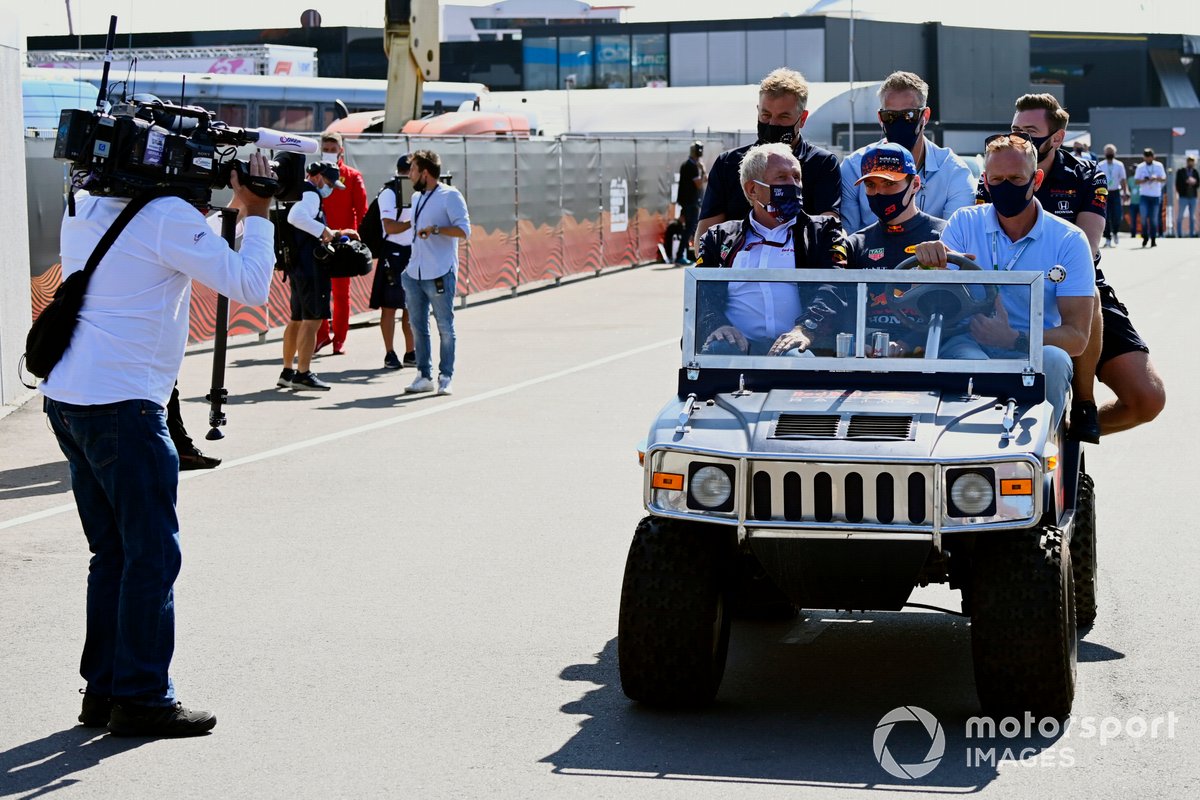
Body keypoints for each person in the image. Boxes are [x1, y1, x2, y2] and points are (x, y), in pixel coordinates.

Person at [40, 153, 276, 737]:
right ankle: (143, 697)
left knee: (113, 554)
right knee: (150, 556)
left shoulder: (86, 206)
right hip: (124, 405)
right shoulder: (166, 215)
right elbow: (249, 285)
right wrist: (259, 212)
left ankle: (103, 690)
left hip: (68, 397)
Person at [1003, 93, 1165, 442]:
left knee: (1147, 399)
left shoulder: (1086, 174)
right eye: (1015, 130)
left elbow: (1087, 248)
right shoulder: (998, 171)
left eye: (1029, 131)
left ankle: (1074, 424)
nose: (1019, 140)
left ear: (1057, 137)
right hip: (1013, 288)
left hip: (1078, 288)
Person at [914, 133, 1095, 431]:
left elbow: (1076, 337)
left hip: (1033, 346)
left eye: (1015, 178)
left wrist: (1014, 339)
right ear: (984, 180)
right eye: (996, 180)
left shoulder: (1069, 239)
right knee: (970, 364)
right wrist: (929, 264)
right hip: (969, 338)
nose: (1005, 186)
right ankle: (967, 449)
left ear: (1036, 180)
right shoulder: (963, 223)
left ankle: (1043, 450)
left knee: (1054, 360)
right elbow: (936, 296)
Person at [696, 142, 847, 356]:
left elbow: (834, 286)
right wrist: (717, 325)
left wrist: (805, 329)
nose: (793, 184)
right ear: (753, 189)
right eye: (782, 178)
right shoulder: (718, 237)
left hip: (799, 345)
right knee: (718, 349)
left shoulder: (823, 232)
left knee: (796, 355)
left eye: (796, 177)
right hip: (737, 346)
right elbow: (702, 294)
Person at [696, 68, 841, 245]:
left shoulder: (822, 163)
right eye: (766, 115)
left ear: (802, 119)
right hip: (737, 268)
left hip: (798, 268)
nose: (772, 123)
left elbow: (828, 232)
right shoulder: (728, 163)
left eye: (783, 116)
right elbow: (703, 241)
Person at [840, 71, 976, 236]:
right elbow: (848, 238)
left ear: (925, 116)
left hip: (930, 262)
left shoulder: (953, 172)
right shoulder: (854, 167)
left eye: (909, 115)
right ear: (880, 117)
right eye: (889, 116)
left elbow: (955, 239)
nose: (898, 123)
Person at [843, 142, 947, 357]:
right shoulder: (856, 244)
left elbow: (953, 310)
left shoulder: (944, 235)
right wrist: (857, 343)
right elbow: (844, 309)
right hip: (867, 354)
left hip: (930, 354)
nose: (879, 193)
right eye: (870, 185)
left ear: (915, 184)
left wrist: (907, 344)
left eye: (889, 184)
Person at [278, 161, 354, 391]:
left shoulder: (297, 190)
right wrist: (326, 232)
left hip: (297, 265)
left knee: (297, 319)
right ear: (319, 177)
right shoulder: (311, 194)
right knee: (313, 320)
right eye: (330, 183)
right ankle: (303, 374)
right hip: (311, 267)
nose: (330, 188)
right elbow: (296, 218)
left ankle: (288, 370)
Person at [402, 150, 472, 396]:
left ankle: (446, 376)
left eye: (412, 170)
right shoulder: (417, 197)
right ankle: (423, 375)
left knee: (444, 326)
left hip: (440, 271)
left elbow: (464, 231)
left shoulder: (450, 195)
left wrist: (437, 230)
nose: (409, 175)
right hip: (415, 272)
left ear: (425, 172)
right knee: (417, 326)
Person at [314, 132, 368, 355]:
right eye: (325, 147)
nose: (329, 151)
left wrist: (362, 240)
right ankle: (321, 336)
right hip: (317, 240)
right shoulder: (314, 176)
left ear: (341, 150)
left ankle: (340, 339)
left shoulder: (352, 176)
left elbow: (362, 211)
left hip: (343, 243)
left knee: (341, 293)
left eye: (332, 147)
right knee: (318, 291)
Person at [372, 154, 416, 370]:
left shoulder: (418, 191)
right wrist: (414, 220)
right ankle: (390, 353)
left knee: (412, 305)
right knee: (389, 307)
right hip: (393, 253)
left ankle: (411, 352)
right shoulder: (389, 193)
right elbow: (389, 227)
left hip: (413, 252)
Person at [675, 141, 706, 265]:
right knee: (689, 229)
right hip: (690, 203)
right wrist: (703, 171)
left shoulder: (688, 164)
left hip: (687, 202)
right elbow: (698, 184)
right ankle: (680, 256)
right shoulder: (691, 166)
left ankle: (684, 255)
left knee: (689, 229)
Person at [1134, 148, 1167, 247]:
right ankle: (1145, 236)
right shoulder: (1140, 167)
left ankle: (1153, 239)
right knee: (1143, 217)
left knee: (1153, 219)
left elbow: (1164, 178)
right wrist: (1144, 180)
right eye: (1146, 157)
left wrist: (1155, 178)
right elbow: (1136, 181)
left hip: (1155, 195)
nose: (1148, 159)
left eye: (1150, 156)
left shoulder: (1159, 166)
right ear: (1144, 157)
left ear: (1153, 157)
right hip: (1144, 195)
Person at [1097, 144, 1128, 247]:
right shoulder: (1101, 164)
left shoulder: (1119, 165)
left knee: (1117, 215)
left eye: (1111, 152)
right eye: (1108, 152)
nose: (1109, 154)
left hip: (1115, 192)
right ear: (1105, 153)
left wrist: (1125, 192)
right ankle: (1107, 238)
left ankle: (1115, 232)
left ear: (1114, 153)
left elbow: (1123, 179)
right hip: (1104, 192)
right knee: (1105, 215)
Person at [1175, 154, 1198, 238]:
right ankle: (1179, 234)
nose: (1191, 163)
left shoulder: (1195, 172)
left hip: (1193, 197)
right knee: (1180, 215)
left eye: (1192, 161)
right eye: (1189, 161)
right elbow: (1177, 183)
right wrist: (1186, 182)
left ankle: (1192, 234)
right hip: (1183, 196)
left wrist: (1194, 182)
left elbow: (1198, 183)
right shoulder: (1181, 171)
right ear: (1187, 162)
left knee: (1192, 217)